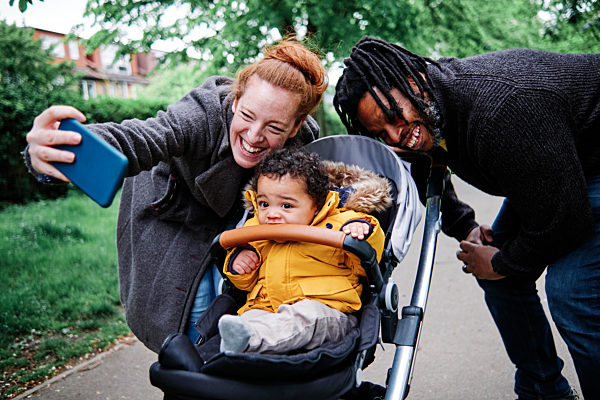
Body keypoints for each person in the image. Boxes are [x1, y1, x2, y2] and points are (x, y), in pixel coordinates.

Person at [333, 36, 599, 399]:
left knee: (571, 294)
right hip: (558, 174)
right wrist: (468, 229)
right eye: (380, 134)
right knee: (492, 266)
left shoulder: (499, 110)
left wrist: (505, 260)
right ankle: (544, 390)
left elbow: (567, 219)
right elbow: (427, 168)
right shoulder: (435, 108)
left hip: (588, 167)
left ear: (414, 80)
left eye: (393, 118)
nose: (396, 136)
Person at [23, 38, 328, 353]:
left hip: (232, 225)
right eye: (247, 116)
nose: (253, 136)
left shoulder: (303, 144)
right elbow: (143, 136)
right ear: (235, 100)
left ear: (295, 128)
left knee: (239, 319)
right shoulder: (202, 113)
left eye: (274, 128)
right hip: (174, 218)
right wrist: (61, 148)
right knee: (188, 334)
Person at [217, 147, 386, 354]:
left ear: (316, 206)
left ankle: (249, 342)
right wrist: (240, 264)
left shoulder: (339, 223)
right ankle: (241, 338)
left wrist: (363, 232)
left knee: (304, 317)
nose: (272, 214)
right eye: (264, 203)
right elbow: (246, 285)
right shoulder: (253, 231)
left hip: (328, 311)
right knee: (249, 318)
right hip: (267, 308)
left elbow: (365, 265)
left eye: (286, 206)